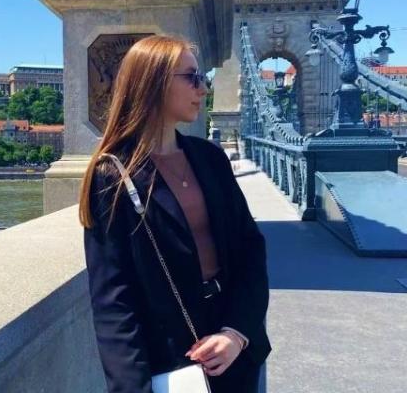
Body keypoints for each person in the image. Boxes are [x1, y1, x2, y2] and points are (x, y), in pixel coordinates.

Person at [78, 35, 271, 393]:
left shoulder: (210, 159)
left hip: (233, 346)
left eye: (203, 78)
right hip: (172, 361)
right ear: (152, 83)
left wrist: (237, 332)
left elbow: (250, 248)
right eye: (192, 77)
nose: (203, 88)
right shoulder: (112, 177)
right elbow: (113, 300)